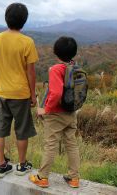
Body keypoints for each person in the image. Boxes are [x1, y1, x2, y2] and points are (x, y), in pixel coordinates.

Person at [0, 2, 38, 178]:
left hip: (1, 92)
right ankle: (22, 165)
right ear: (24, 21)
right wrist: (33, 95)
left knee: (0, 129)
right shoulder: (27, 42)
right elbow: (30, 72)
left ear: (6, 18)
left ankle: (1, 165)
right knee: (22, 130)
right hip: (21, 93)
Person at [29, 36, 80, 188]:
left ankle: (42, 177)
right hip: (71, 112)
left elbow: (56, 93)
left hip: (56, 114)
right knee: (71, 144)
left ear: (55, 52)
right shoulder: (75, 68)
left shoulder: (56, 69)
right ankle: (74, 177)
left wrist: (45, 109)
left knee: (50, 144)